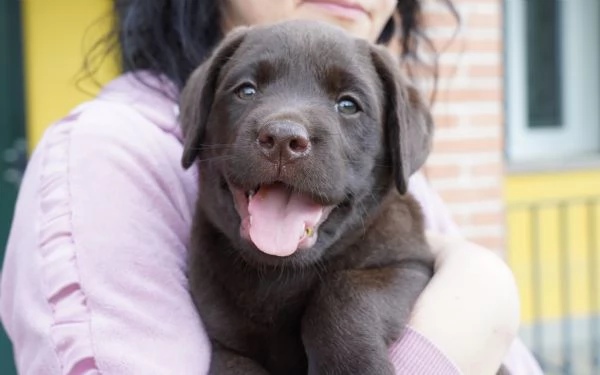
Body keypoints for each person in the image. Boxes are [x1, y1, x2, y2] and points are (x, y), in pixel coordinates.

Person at [0, 1, 543, 374]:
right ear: (197, 125)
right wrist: (477, 306)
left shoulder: (389, 182)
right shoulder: (106, 156)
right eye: (247, 88)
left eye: (349, 104)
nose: (287, 129)